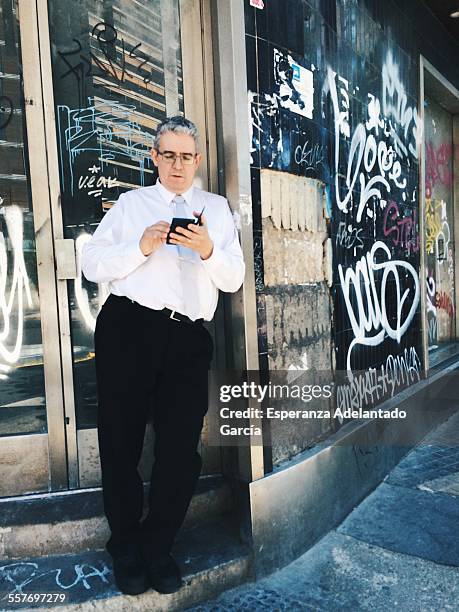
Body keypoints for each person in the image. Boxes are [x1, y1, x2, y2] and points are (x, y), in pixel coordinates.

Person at [81, 116, 245, 596]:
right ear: (154, 158)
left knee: (179, 450)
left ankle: (158, 545)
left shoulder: (215, 209)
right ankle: (125, 545)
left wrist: (210, 248)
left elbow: (233, 279)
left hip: (188, 338)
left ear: (198, 160)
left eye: (187, 155)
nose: (178, 164)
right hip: (128, 329)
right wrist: (142, 245)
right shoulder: (132, 205)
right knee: (120, 442)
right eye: (168, 154)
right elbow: (92, 263)